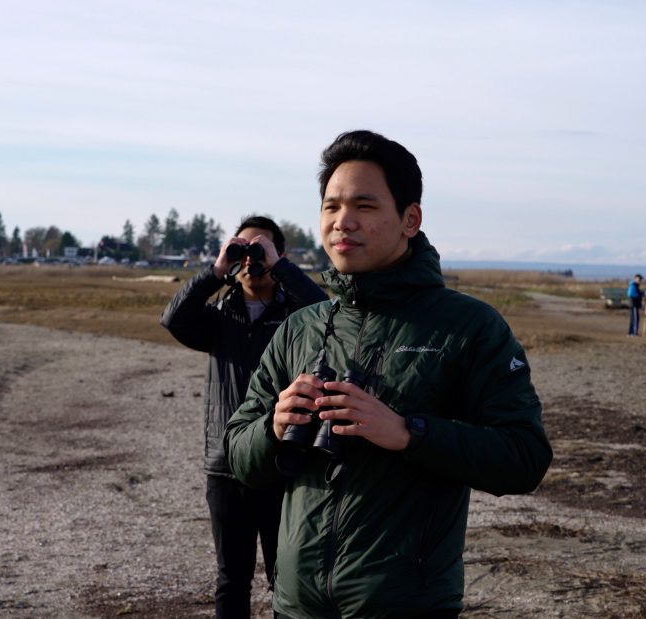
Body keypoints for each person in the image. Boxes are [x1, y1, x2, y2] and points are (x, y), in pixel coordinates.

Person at [224, 130, 552, 618]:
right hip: (296, 606)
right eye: (331, 207)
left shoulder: (468, 327)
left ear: (410, 220)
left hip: (405, 605)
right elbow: (238, 455)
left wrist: (407, 433)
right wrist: (272, 429)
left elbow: (524, 457)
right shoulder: (300, 328)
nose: (343, 222)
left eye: (365, 206)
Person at [160, 216, 327, 618]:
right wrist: (217, 270)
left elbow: (328, 312)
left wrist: (281, 269)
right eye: (245, 250)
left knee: (284, 575)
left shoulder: (297, 320)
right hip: (225, 464)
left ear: (279, 255)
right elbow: (173, 319)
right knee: (231, 578)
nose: (252, 259)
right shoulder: (219, 316)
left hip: (279, 459)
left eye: (261, 249)